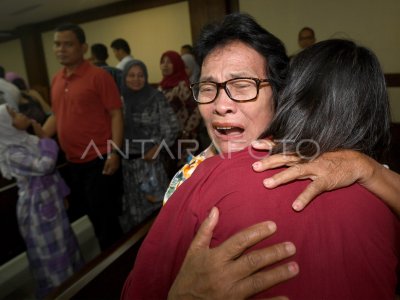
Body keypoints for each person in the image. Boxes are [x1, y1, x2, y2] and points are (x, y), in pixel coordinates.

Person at [122, 13, 400, 299]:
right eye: (207, 88)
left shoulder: (364, 176)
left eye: (242, 85)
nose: (221, 105)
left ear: (280, 95)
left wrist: (367, 168)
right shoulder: (191, 177)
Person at [43, 23, 124, 251]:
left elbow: (116, 114)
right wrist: (32, 134)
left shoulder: (98, 76)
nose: (61, 49)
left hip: (99, 160)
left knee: (106, 221)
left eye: (68, 44)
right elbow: (56, 116)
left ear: (83, 47)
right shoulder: (57, 79)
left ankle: (117, 271)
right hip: (73, 161)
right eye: (57, 44)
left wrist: (115, 152)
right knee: (92, 216)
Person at [0, 104, 83, 299]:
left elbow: (52, 173)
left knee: (64, 243)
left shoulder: (27, 140)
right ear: (5, 125)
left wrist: (62, 193)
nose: (20, 114)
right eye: (14, 115)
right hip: (37, 210)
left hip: (51, 200)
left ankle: (75, 285)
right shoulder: (10, 153)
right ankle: (60, 291)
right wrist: (45, 138)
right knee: (50, 254)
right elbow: (45, 166)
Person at [119, 59, 180, 232]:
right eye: (131, 75)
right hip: (127, 165)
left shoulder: (155, 98)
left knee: (155, 211)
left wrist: (157, 148)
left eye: (140, 75)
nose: (136, 79)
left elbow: (172, 127)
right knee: (133, 212)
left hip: (149, 164)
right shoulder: (120, 100)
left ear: (146, 77)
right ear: (124, 77)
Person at [159, 50, 202, 175]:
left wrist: (186, 131)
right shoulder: (162, 87)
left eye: (169, 62)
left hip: (184, 141)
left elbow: (196, 110)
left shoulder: (182, 85)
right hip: (167, 140)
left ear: (177, 64)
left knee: (185, 176)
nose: (165, 65)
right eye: (163, 62)